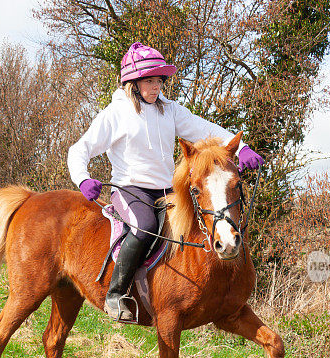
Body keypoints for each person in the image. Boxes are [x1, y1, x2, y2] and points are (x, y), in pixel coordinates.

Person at [67, 42, 265, 322]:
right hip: (131, 189)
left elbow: (204, 128)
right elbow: (80, 149)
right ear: (133, 83)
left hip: (167, 190)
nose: (155, 86)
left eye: (159, 80)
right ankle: (116, 293)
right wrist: (83, 179)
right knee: (145, 226)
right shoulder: (116, 113)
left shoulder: (169, 110)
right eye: (148, 81)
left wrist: (240, 147)